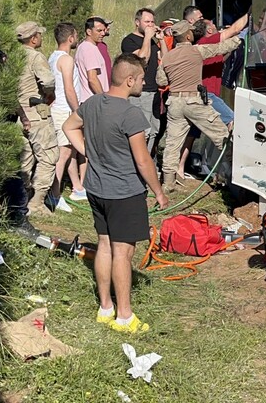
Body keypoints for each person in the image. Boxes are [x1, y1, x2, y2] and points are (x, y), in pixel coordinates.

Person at [63, 54, 168, 334]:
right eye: (142, 78)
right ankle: (124, 317)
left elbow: (68, 127)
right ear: (129, 79)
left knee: (105, 246)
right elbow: (143, 160)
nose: (144, 83)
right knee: (123, 253)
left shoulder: (92, 103)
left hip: (96, 189)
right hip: (124, 192)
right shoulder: (130, 113)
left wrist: (89, 152)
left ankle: (105, 307)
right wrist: (158, 191)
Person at [155, 16, 247, 191]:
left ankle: (168, 184)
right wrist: (240, 38)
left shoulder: (168, 57)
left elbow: (160, 80)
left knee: (172, 144)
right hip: (194, 101)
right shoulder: (197, 50)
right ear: (188, 37)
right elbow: (221, 48)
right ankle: (239, 174)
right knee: (221, 135)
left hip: (174, 103)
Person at [16, 21, 59, 215]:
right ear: (33, 38)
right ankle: (37, 202)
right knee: (48, 156)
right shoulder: (35, 57)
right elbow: (48, 81)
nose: (41, 38)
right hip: (36, 112)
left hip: (19, 113)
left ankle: (22, 196)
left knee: (25, 157)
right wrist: (48, 93)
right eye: (39, 35)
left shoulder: (14, 56)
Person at [46, 22, 84, 210]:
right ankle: (54, 194)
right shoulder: (67, 60)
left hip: (58, 108)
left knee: (70, 150)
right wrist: (78, 110)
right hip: (64, 109)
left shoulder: (53, 57)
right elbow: (69, 88)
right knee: (64, 153)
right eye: (76, 36)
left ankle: (77, 186)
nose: (77, 39)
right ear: (70, 38)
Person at [119, 7, 167, 151]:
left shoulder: (151, 41)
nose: (150, 25)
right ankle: (137, 163)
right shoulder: (129, 41)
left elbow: (165, 59)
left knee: (154, 130)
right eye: (147, 22)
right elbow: (142, 59)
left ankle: (147, 160)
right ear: (137, 22)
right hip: (140, 92)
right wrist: (147, 37)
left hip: (154, 91)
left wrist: (162, 40)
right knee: (142, 132)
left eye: (152, 22)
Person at [75, 17, 110, 102]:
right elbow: (92, 78)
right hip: (93, 99)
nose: (103, 33)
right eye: (99, 31)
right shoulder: (89, 49)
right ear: (89, 32)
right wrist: (103, 99)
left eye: (103, 30)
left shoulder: (83, 46)